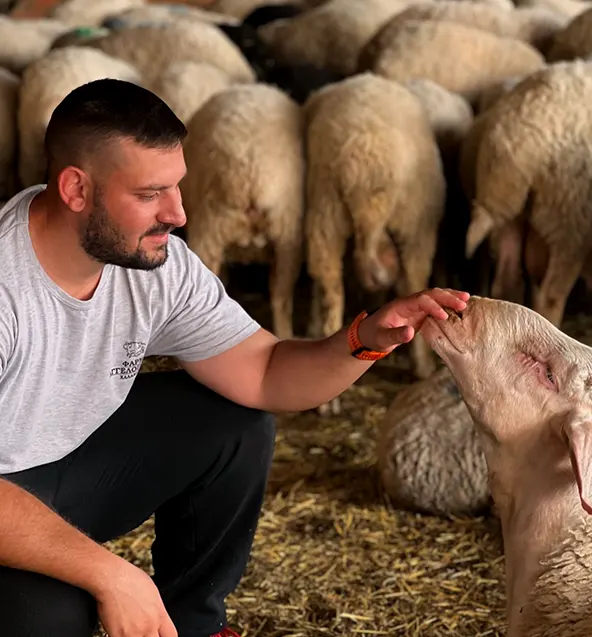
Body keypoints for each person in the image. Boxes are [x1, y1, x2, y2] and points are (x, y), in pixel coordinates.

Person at [0, 78, 469, 637]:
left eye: (177, 187)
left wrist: (367, 337)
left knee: (234, 420)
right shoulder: (8, 287)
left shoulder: (158, 264)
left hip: (66, 469)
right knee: (54, 617)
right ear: (76, 189)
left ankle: (194, 626)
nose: (177, 214)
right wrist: (114, 576)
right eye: (150, 193)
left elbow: (265, 372)